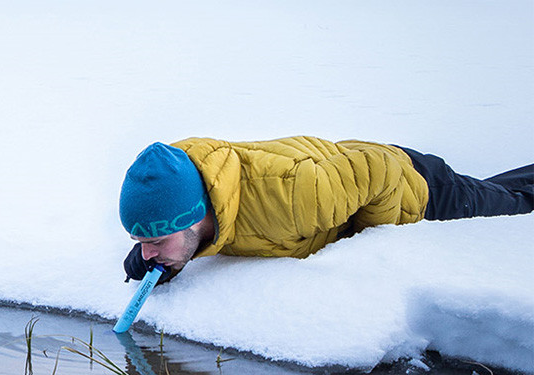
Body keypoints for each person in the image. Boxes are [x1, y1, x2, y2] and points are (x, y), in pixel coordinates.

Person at [120, 137, 534, 282]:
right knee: (501, 189)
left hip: (419, 189)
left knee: (515, 206)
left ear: (194, 217)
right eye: (142, 242)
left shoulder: (292, 199)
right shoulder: (181, 187)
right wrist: (159, 257)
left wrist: (371, 242)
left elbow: (381, 170)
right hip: (344, 175)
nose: (147, 252)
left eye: (155, 241)